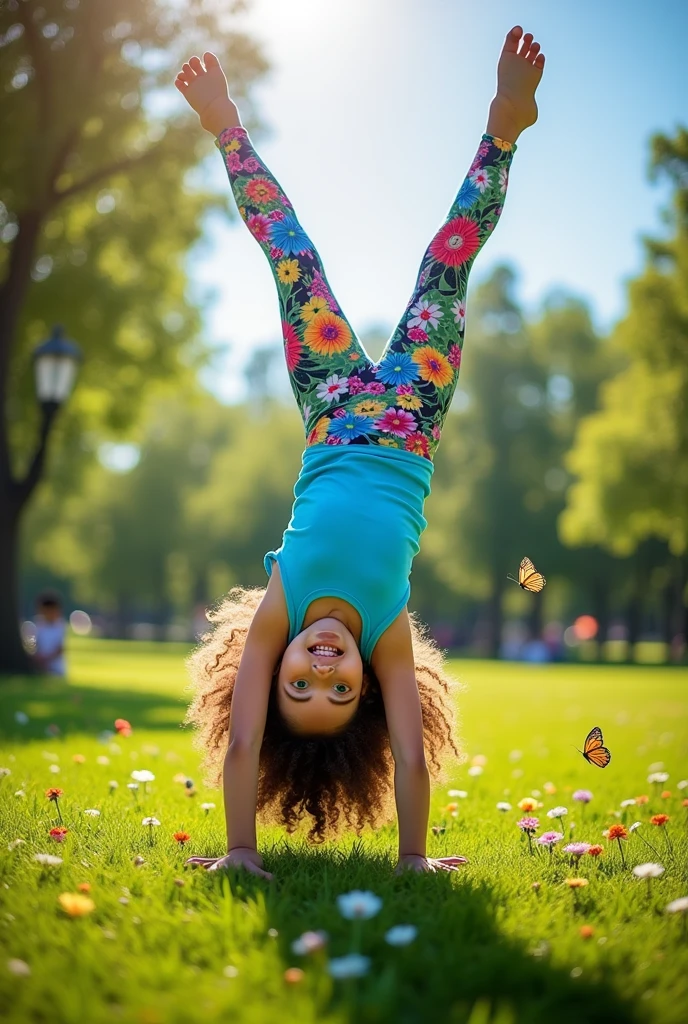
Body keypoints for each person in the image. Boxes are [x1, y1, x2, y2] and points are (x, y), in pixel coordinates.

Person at [177, 27, 545, 878]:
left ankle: (226, 126)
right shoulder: (385, 637)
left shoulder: (281, 604)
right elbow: (413, 759)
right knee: (444, 269)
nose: (322, 674)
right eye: (339, 694)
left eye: (298, 688)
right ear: (368, 691)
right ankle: (503, 131)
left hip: (332, 405)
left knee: (291, 258)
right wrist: (413, 860)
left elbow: (239, 746)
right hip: (413, 414)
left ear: (272, 680)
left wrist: (240, 849)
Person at [33, 590, 67, 676]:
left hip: (56, 669)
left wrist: (47, 659)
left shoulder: (60, 626)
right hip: (40, 666)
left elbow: (60, 648)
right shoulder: (38, 625)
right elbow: (35, 644)